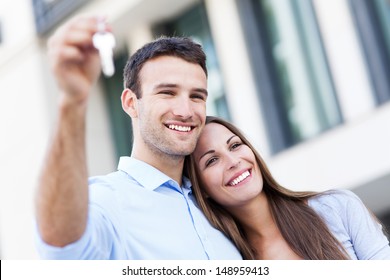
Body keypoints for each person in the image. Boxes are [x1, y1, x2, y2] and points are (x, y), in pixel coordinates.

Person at [34, 15, 242, 260]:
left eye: (197, 96)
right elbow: (62, 245)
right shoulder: (109, 201)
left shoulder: (216, 198)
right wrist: (72, 100)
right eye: (167, 93)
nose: (186, 111)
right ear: (131, 103)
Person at [185, 116, 390, 260]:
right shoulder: (231, 261)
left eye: (235, 146)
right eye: (212, 160)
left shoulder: (337, 207)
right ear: (200, 189)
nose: (233, 161)